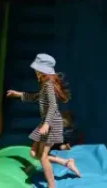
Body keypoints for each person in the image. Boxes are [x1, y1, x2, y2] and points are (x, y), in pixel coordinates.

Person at [7, 54, 81, 187]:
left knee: (43, 157)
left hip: (51, 123)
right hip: (46, 123)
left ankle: (52, 185)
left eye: (38, 70)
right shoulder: (45, 86)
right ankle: (66, 162)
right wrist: (18, 94)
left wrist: (46, 124)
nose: (36, 73)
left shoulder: (49, 86)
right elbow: (35, 97)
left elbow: (53, 106)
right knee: (34, 153)